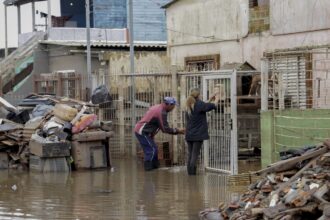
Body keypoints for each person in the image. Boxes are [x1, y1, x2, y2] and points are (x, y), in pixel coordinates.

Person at [135, 97, 185, 171]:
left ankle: (155, 168)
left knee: (153, 148)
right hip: (142, 131)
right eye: (173, 106)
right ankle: (149, 170)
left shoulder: (159, 107)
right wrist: (178, 131)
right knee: (152, 150)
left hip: (145, 131)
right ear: (169, 105)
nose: (173, 108)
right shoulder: (161, 111)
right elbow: (165, 129)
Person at [185, 88, 219, 175]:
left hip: (189, 135)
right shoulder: (199, 104)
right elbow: (212, 106)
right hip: (197, 135)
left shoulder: (189, 104)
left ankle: (190, 175)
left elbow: (203, 105)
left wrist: (210, 98)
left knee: (190, 155)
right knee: (195, 155)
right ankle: (192, 176)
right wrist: (217, 99)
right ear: (199, 96)